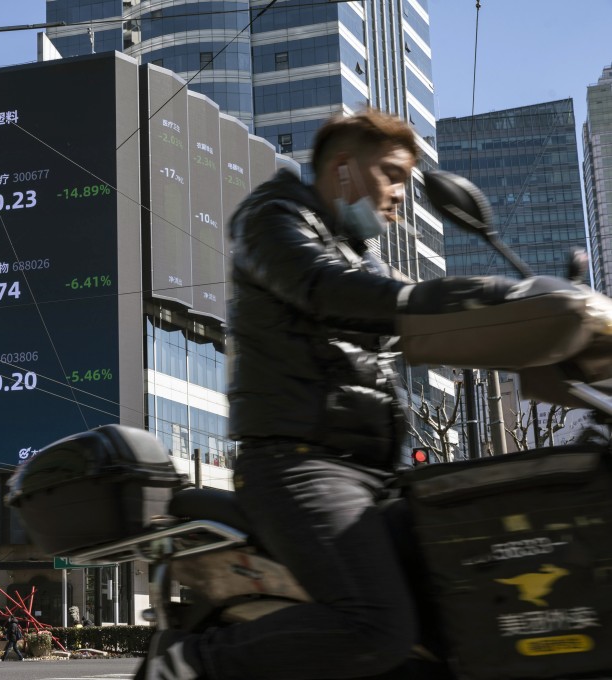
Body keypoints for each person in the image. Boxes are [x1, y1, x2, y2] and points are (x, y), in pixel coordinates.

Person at [147, 109, 518, 680]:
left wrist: (530, 324)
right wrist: (468, 292)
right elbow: (321, 286)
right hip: (298, 465)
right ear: (343, 170)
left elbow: (412, 321)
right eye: (391, 174)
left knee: (467, 601)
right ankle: (189, 665)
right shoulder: (272, 219)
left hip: (372, 474)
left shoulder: (361, 255)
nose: (399, 194)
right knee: (377, 625)